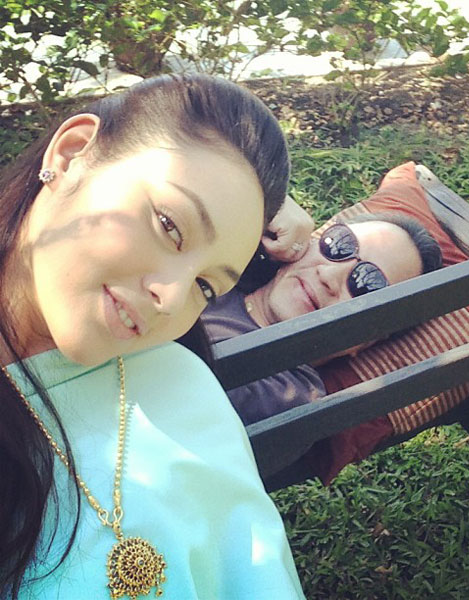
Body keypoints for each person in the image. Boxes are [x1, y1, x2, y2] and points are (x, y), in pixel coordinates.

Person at [0, 74, 306, 599]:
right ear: (72, 154)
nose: (172, 297)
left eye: (207, 286)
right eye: (169, 226)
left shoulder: (182, 390)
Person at [201, 211, 443, 426]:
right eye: (339, 244)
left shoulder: (283, 396)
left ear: (368, 339)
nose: (328, 275)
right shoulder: (223, 262)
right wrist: (270, 206)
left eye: (368, 285)